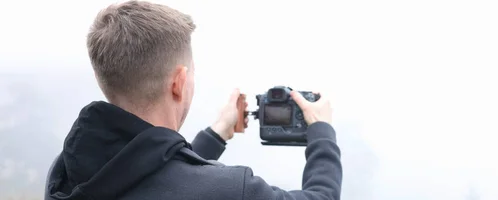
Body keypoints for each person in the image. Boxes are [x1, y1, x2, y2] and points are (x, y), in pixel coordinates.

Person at [44, 1, 342, 200]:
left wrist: (216, 135)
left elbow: (152, 179)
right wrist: (322, 132)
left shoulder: (67, 173)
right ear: (179, 82)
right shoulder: (230, 190)